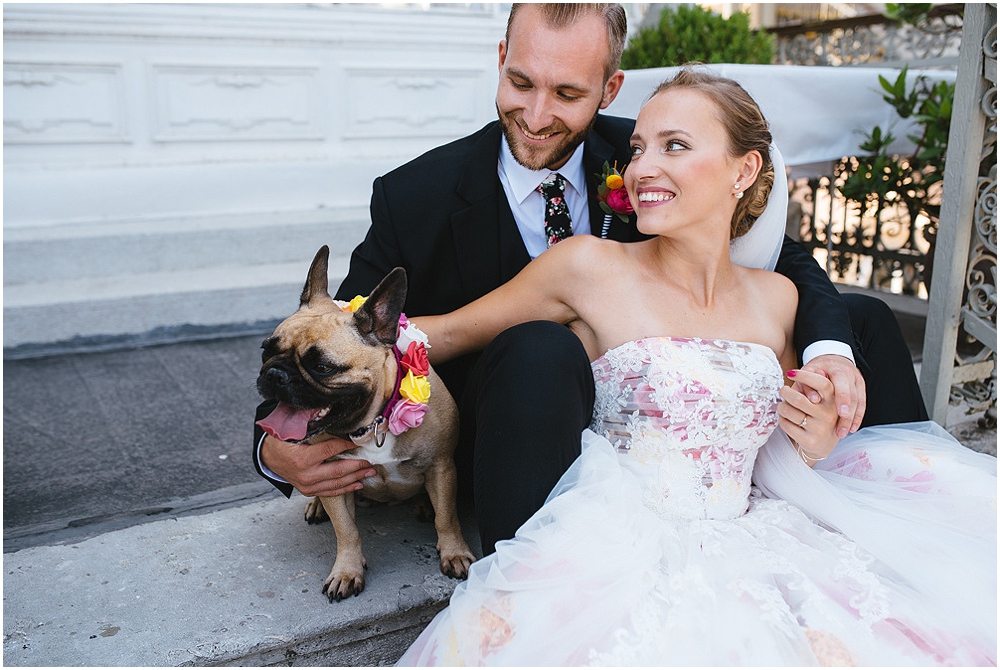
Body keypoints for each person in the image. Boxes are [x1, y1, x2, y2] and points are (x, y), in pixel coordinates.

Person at [253, 3, 927, 555]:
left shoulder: (649, 155)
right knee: (539, 343)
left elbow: (785, 257)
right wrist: (272, 444)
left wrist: (830, 358)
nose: (539, 113)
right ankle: (526, 571)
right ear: (500, 60)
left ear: (609, 90)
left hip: (656, 432)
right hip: (507, 429)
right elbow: (341, 329)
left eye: (569, 93)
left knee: (859, 320)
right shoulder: (414, 196)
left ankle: (903, 523)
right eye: (521, 82)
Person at [394, 68, 997, 666]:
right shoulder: (588, 267)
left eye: (674, 146)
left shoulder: (778, 300)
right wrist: (311, 376)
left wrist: (813, 441)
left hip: (753, 533)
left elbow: (774, 449)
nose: (640, 167)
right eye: (637, 148)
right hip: (617, 539)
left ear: (743, 171)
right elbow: (435, 335)